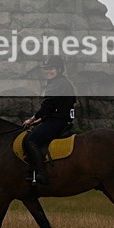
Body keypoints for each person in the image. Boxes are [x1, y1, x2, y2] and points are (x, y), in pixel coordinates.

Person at [22, 55, 76, 185]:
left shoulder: (58, 84)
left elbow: (47, 106)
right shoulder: (59, 82)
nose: (48, 71)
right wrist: (38, 122)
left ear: (59, 69)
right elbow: (53, 109)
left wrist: (31, 119)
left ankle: (40, 174)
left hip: (58, 122)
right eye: (46, 69)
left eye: (51, 68)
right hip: (57, 119)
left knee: (30, 141)